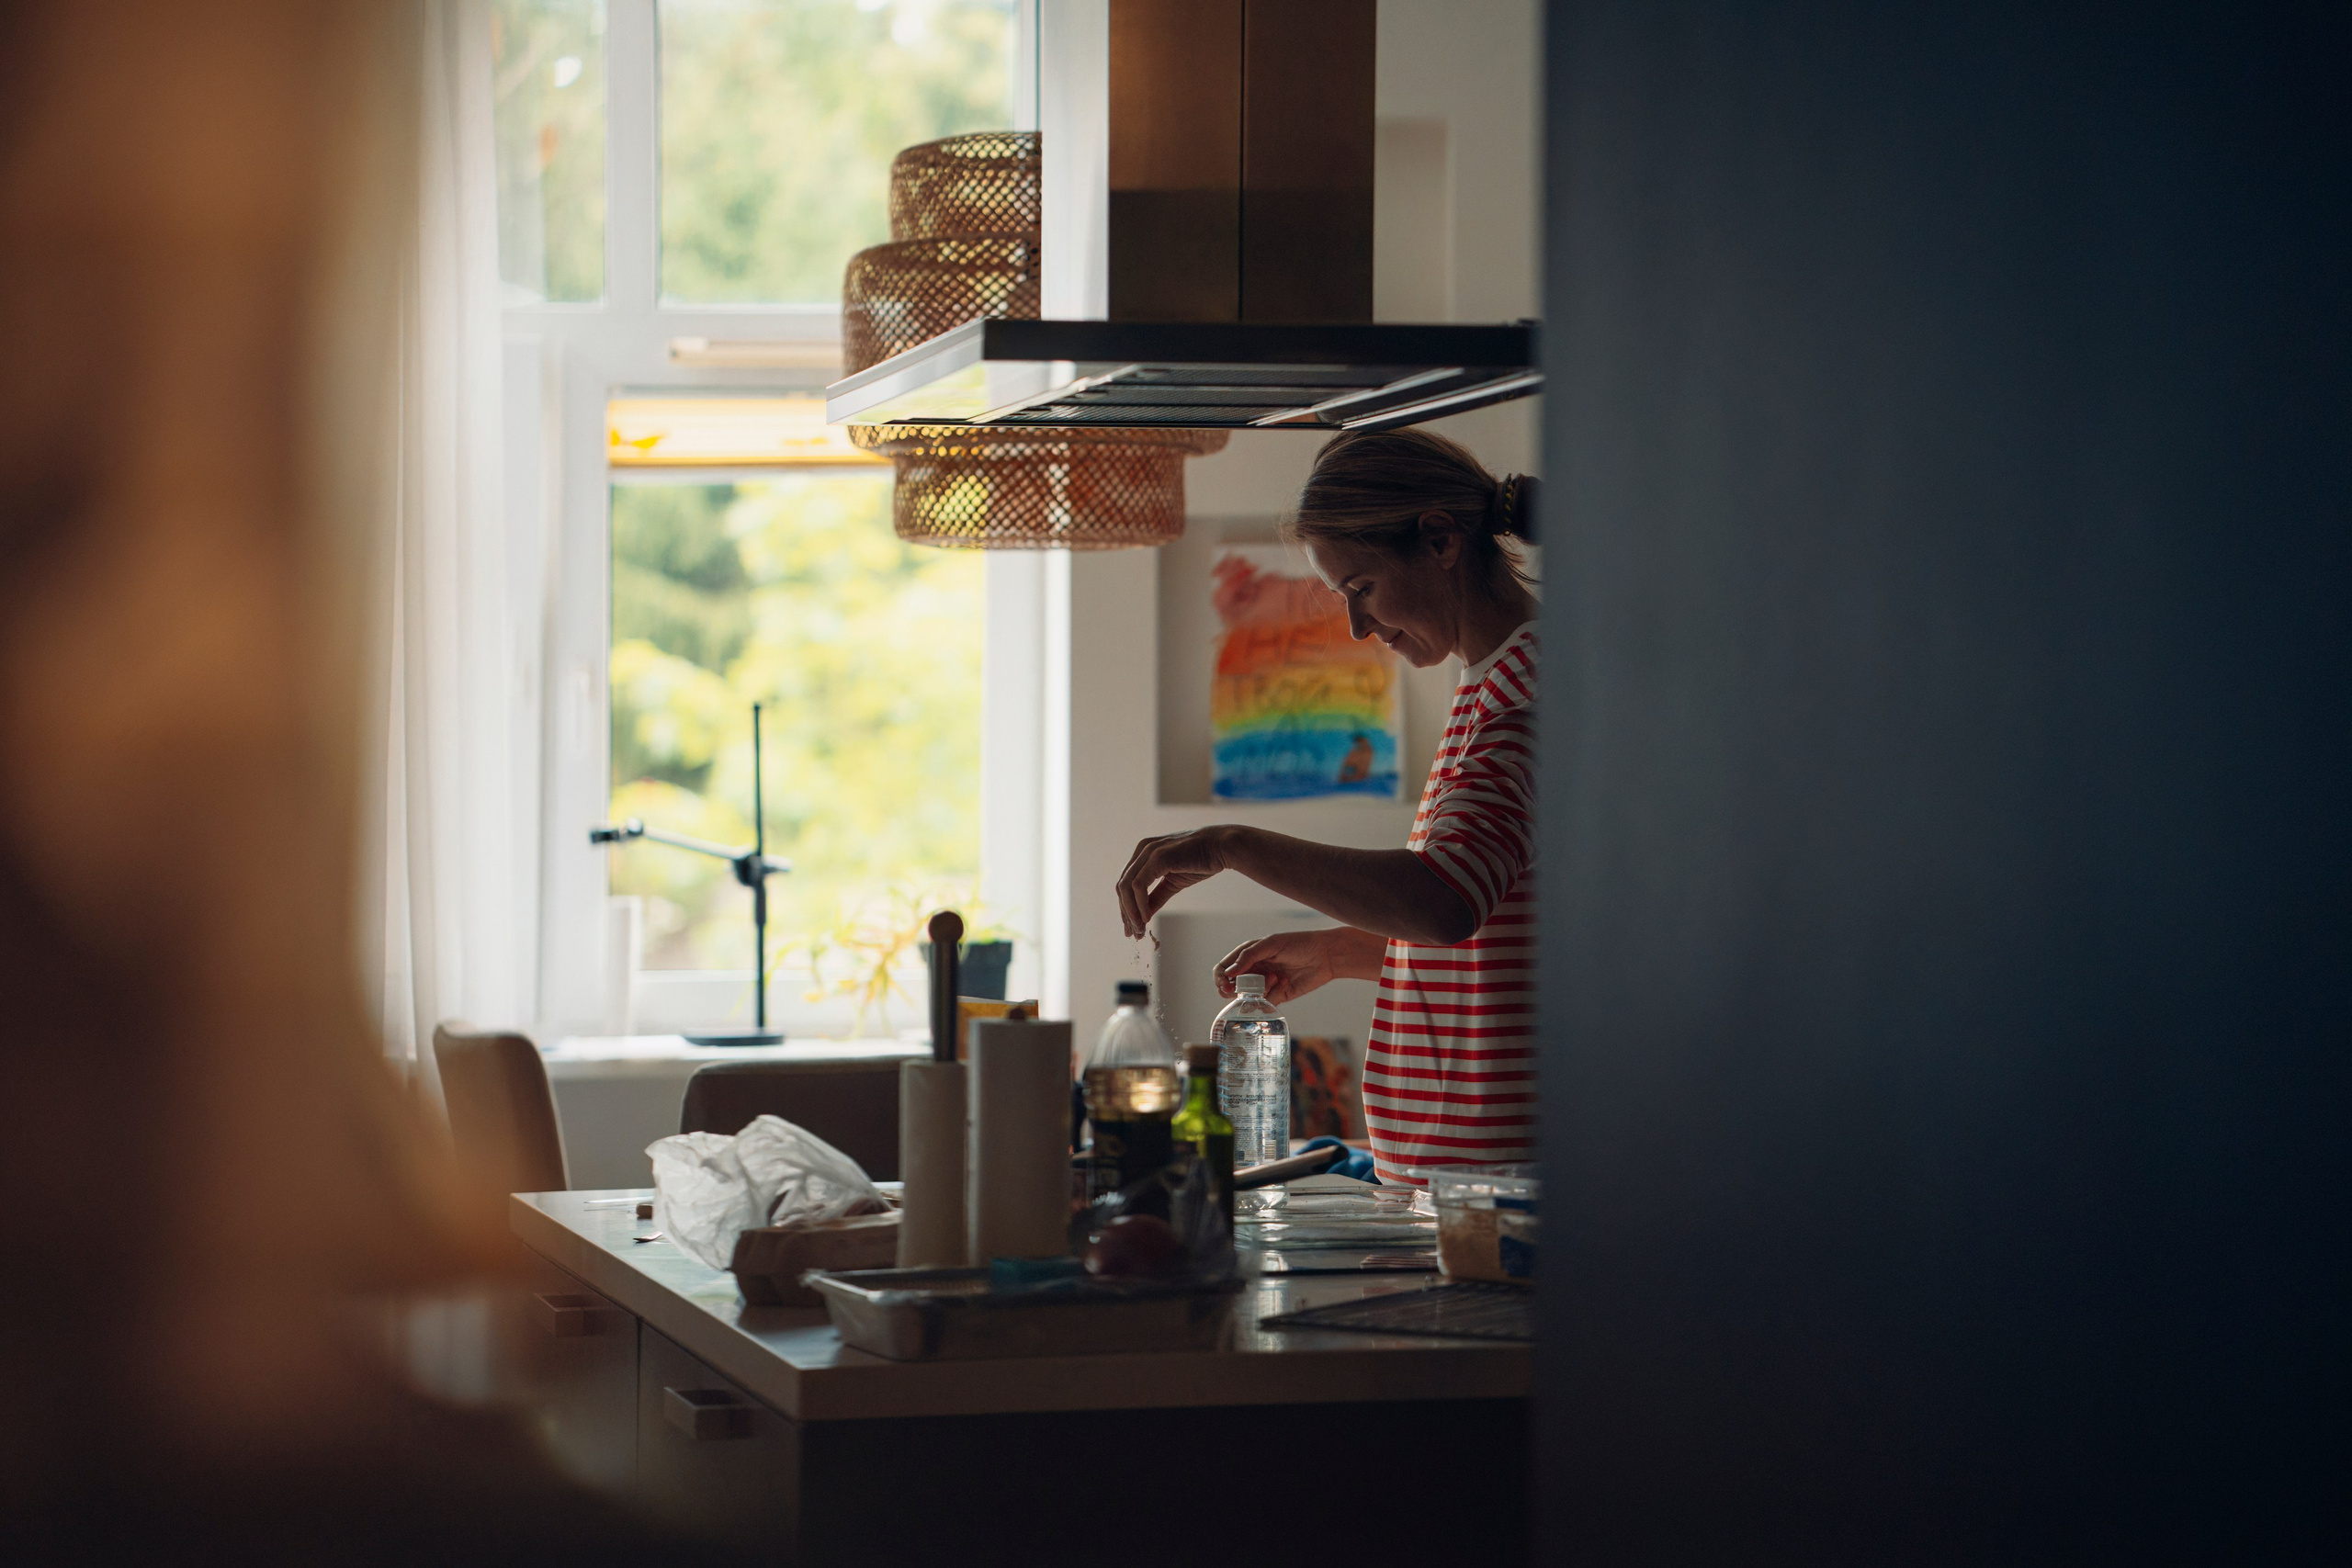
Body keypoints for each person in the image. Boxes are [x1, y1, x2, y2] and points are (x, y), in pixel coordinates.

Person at [1115, 430, 1539, 1185]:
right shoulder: (1491, 684)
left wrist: (1231, 844)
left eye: (1361, 587)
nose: (1357, 627)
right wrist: (1340, 952)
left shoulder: (1529, 697)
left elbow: (1443, 902)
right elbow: (1496, 936)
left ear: (1441, 540)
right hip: (1467, 1187)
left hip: (1505, 1191)